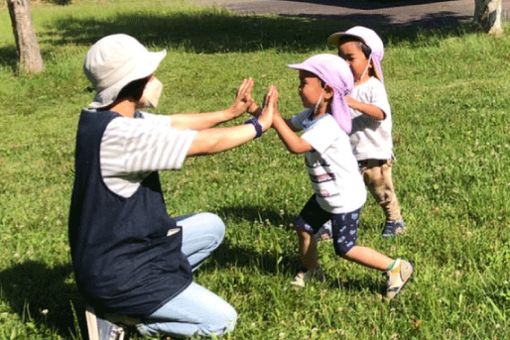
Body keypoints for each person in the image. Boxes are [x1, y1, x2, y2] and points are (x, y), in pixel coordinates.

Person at [68, 33, 275, 339]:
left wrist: (229, 113)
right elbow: (207, 144)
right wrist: (259, 125)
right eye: (149, 74)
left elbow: (174, 122)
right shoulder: (123, 137)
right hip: (119, 273)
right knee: (221, 320)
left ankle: (154, 296)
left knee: (211, 227)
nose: (154, 79)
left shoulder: (101, 118)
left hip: (116, 252)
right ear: (132, 80)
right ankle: (121, 318)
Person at [248, 53, 413, 299]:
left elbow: (295, 145)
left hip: (344, 198)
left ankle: (397, 267)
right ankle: (311, 269)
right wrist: (255, 109)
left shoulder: (329, 124)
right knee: (303, 227)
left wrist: (272, 115)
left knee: (345, 247)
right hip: (326, 194)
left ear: (327, 90)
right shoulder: (310, 116)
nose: (299, 89)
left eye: (304, 83)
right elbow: (287, 125)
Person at [327, 26, 406, 237]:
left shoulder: (373, 87)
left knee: (381, 190)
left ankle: (394, 219)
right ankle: (331, 222)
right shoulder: (341, 88)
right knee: (339, 189)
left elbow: (380, 113)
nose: (344, 63)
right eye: (341, 58)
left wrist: (353, 103)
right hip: (348, 152)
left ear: (370, 60)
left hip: (374, 153)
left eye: (350, 58)